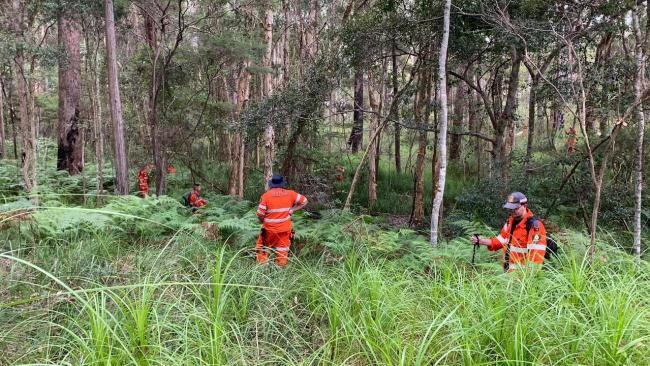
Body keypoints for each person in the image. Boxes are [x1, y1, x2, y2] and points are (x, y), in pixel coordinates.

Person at [470, 192, 547, 272]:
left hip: (523, 278)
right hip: (508, 275)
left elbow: (536, 257)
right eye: (511, 208)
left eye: (516, 208)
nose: (512, 211)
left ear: (525, 206)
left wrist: (527, 280)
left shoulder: (534, 226)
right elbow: (500, 241)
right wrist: (481, 241)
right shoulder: (509, 223)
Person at [255, 175, 308, 266]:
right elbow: (305, 201)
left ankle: (262, 270)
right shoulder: (291, 194)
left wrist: (262, 221)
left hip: (268, 231)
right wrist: (292, 210)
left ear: (271, 185)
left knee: (262, 249)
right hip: (284, 230)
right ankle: (280, 272)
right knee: (282, 251)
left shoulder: (266, 196)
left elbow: (260, 214)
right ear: (282, 184)